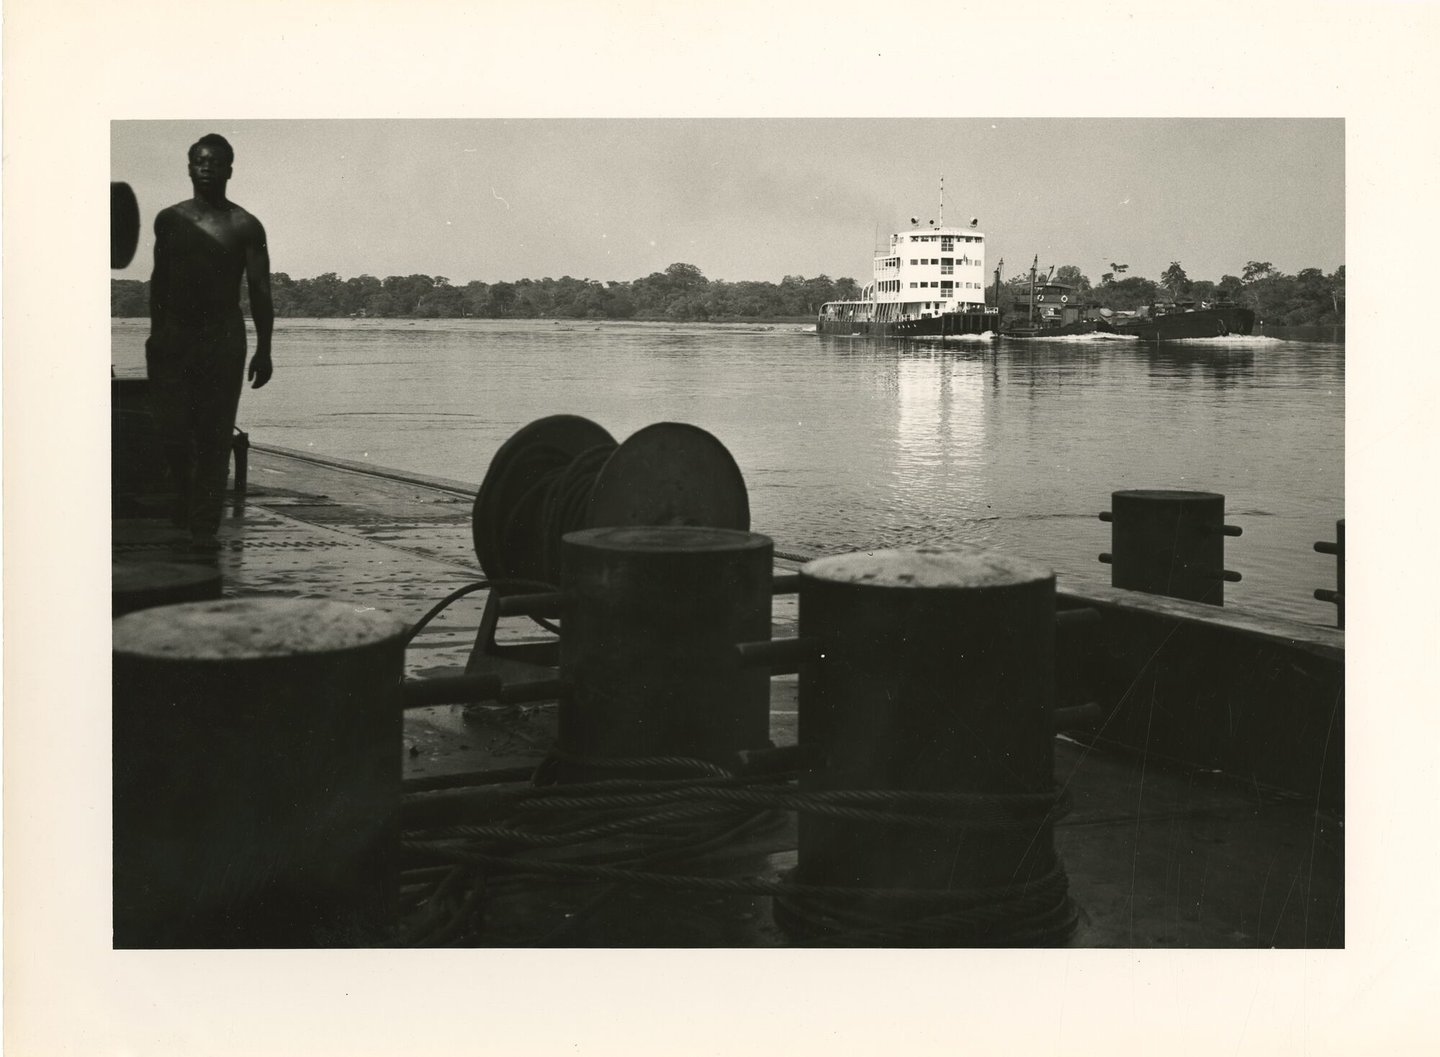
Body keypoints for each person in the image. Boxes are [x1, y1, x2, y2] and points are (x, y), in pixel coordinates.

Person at [146, 133, 274, 551]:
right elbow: (159, 282)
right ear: (188, 167)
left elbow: (259, 292)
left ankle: (203, 529)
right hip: (174, 337)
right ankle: (186, 498)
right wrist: (156, 334)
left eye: (215, 162)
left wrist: (264, 349)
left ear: (228, 170)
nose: (206, 167)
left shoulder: (244, 225)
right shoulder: (170, 219)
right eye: (199, 161)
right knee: (173, 434)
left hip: (222, 338)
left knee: (215, 435)